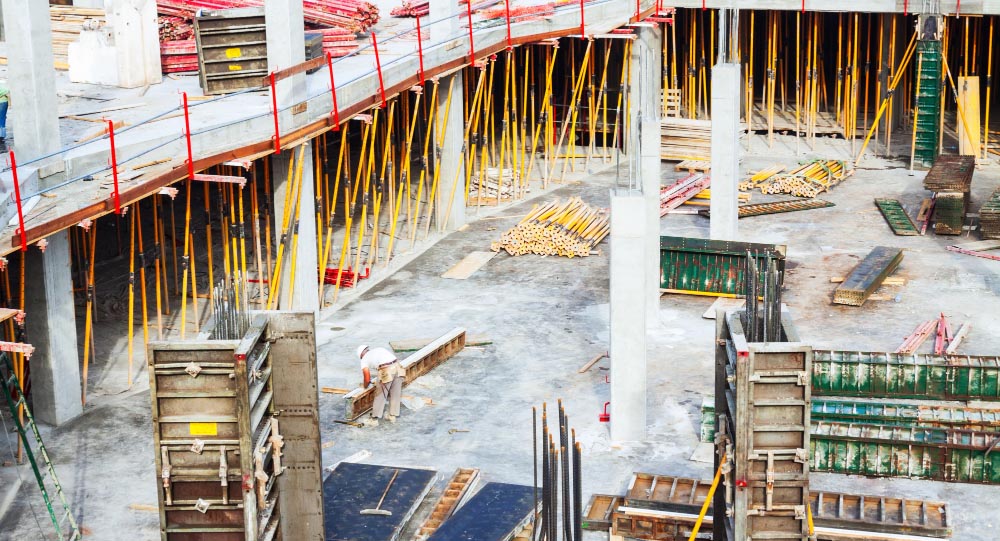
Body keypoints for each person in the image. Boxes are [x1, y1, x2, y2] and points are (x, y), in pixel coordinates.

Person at [357, 344, 403, 427]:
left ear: (361, 355)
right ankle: (392, 416)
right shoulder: (379, 349)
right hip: (398, 367)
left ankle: (374, 420)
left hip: (386, 370)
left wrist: (365, 386)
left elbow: (367, 378)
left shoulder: (364, 359)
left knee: (380, 395)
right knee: (395, 393)